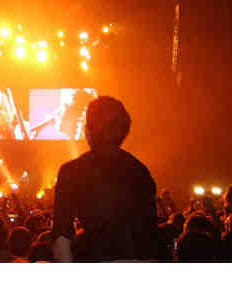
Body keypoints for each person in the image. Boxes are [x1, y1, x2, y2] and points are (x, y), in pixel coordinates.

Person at [52, 96, 158, 262]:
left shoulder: (71, 171)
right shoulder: (141, 171)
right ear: (124, 131)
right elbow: (150, 235)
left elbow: (61, 237)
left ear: (88, 131)